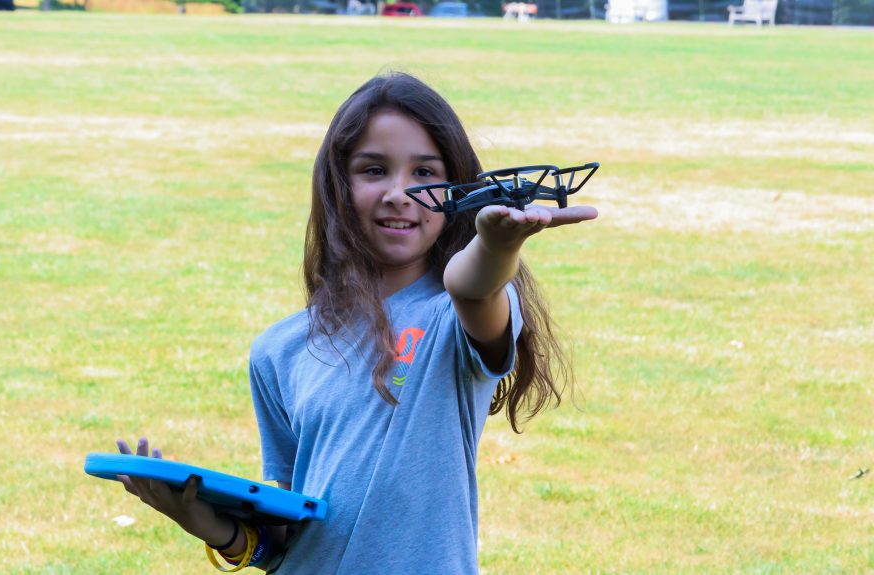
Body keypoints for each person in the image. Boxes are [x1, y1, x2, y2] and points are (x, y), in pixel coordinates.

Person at [115, 72, 597, 574]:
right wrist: (212, 526)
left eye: (425, 173)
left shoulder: (453, 317)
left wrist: (498, 246)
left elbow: (473, 286)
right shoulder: (279, 350)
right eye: (373, 170)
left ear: (459, 188)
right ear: (338, 185)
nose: (399, 193)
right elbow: (285, 535)